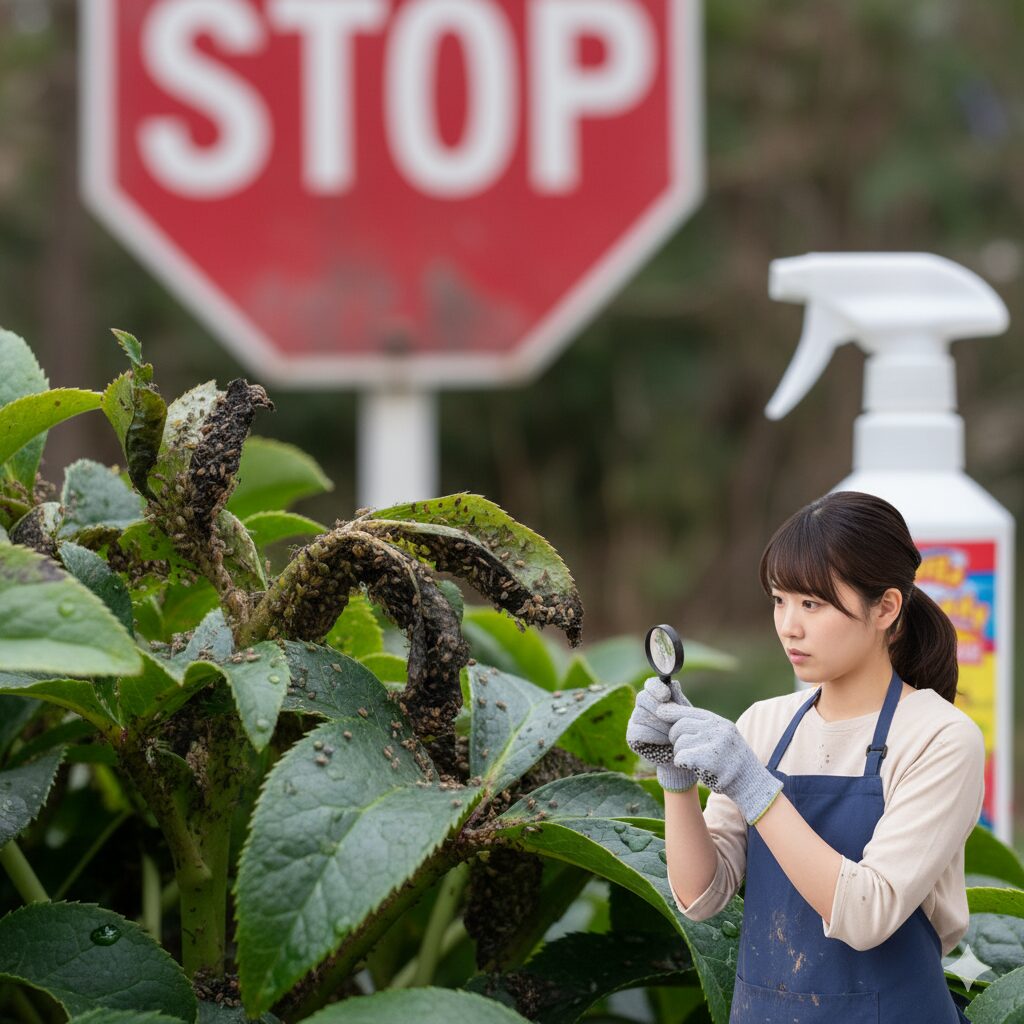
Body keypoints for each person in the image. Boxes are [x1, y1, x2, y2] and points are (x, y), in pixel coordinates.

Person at [626, 491, 985, 1024]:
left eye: (812, 604)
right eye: (779, 600)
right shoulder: (765, 723)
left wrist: (754, 786)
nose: (789, 625)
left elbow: (868, 914)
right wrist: (674, 773)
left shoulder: (941, 737)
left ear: (886, 607)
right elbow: (702, 896)